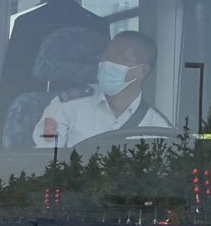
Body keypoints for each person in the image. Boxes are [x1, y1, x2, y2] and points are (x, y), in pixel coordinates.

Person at [32, 31, 172, 149]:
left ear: (142, 70)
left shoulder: (158, 127)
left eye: (120, 59)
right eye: (106, 57)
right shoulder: (67, 106)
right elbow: (45, 161)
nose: (107, 63)